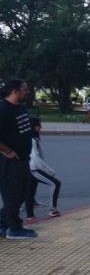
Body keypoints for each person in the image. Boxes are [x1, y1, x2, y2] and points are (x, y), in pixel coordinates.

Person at [0, 79, 37, 239]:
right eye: (24, 89)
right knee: (13, 194)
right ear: (15, 91)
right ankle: (14, 229)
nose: (27, 92)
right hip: (10, 161)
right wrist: (7, 150)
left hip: (23, 158)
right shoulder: (3, 109)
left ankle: (3, 223)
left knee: (22, 192)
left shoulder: (20, 107)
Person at [25, 117, 62, 219]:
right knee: (55, 183)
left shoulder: (31, 137)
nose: (41, 127)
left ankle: (30, 216)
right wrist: (49, 171)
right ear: (33, 127)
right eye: (38, 125)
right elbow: (36, 160)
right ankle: (53, 209)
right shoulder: (31, 139)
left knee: (30, 192)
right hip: (33, 169)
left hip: (30, 168)